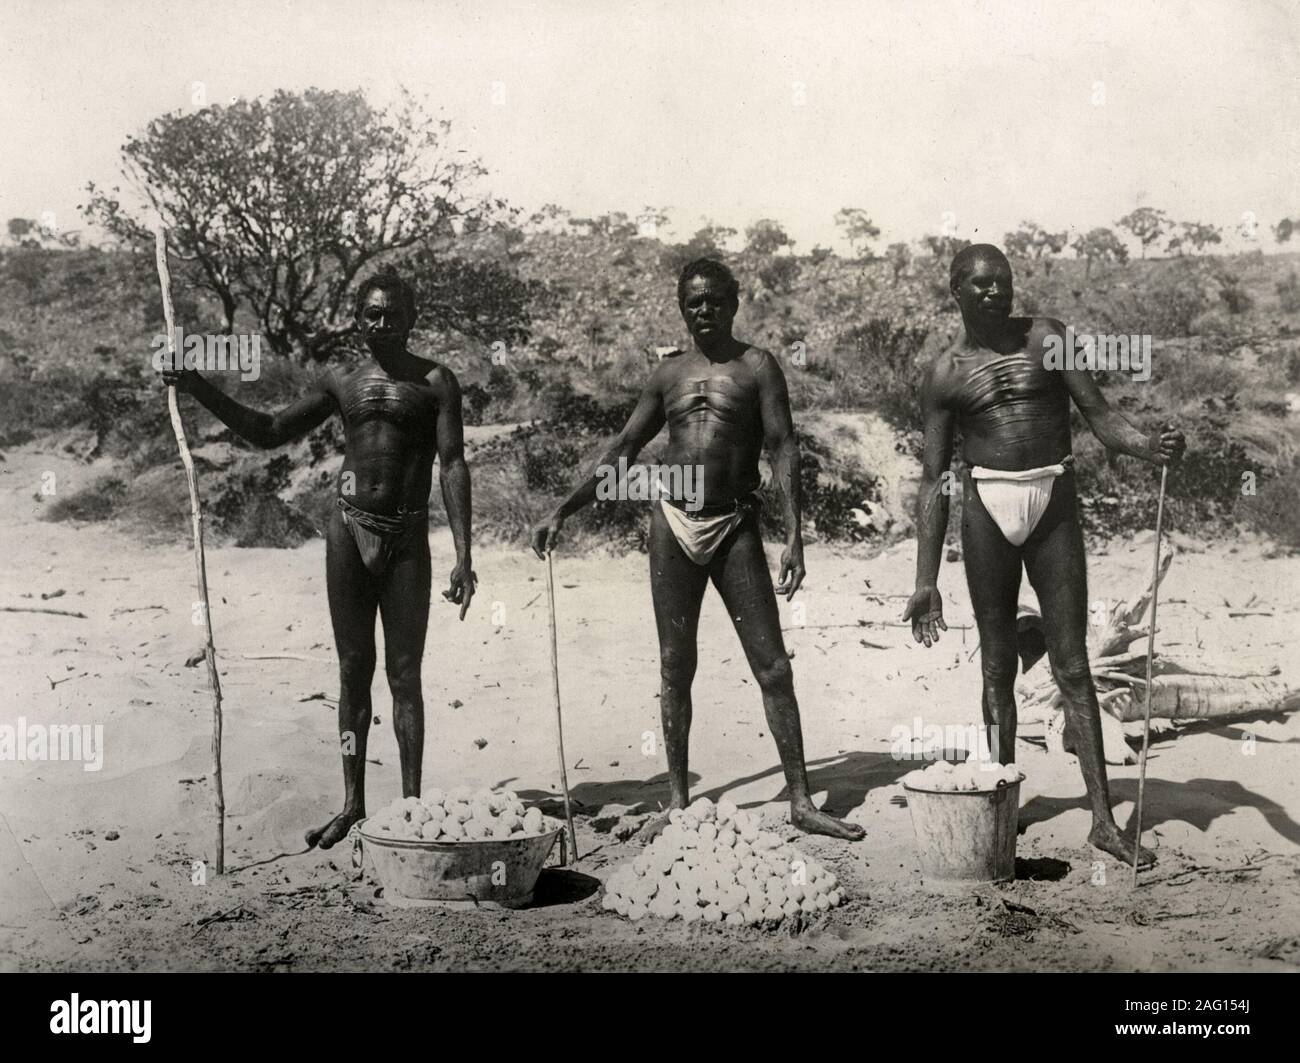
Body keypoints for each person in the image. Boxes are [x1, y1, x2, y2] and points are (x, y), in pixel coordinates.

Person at [532, 258, 863, 840]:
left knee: (773, 665)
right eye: (693, 302)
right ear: (681, 308)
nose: (703, 310)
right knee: (674, 663)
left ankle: (802, 799)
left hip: (734, 523)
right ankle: (679, 801)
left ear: (734, 304)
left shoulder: (758, 366)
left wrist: (794, 536)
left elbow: (785, 448)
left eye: (713, 300)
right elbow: (625, 448)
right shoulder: (667, 376)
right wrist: (564, 509)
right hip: (672, 522)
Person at [161, 270, 475, 849]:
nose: (382, 324)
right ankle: (353, 803)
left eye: (392, 314)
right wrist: (196, 384)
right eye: (371, 314)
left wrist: (464, 553)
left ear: (411, 319)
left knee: (405, 676)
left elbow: (452, 462)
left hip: (407, 538)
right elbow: (270, 431)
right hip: (348, 532)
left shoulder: (437, 383)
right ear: (358, 319)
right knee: (353, 671)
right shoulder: (340, 382)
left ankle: (409, 806)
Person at [903, 244, 1184, 866]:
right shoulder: (944, 373)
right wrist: (925, 578)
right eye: (979, 285)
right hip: (985, 508)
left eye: (1001, 282)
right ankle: (1003, 802)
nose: (993, 293)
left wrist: (1149, 445)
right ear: (955, 292)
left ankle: (1104, 823)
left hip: (1052, 500)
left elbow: (1102, 419)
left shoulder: (1048, 338)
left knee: (1072, 666)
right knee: (997, 668)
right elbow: (932, 480)